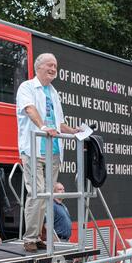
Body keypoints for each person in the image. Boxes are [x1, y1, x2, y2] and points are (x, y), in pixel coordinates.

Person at [16, 53, 80, 252]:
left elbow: (58, 123)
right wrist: (43, 126)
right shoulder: (27, 87)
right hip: (33, 149)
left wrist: (73, 131)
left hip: (53, 151)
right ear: (39, 67)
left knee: (47, 195)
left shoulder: (53, 92)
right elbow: (30, 109)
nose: (54, 69)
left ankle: (36, 236)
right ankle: (29, 238)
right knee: (36, 193)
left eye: (56, 66)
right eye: (50, 65)